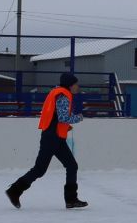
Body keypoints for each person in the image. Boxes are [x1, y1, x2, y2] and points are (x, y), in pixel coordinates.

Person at [6, 73, 87, 209]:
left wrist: (65, 126)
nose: (77, 87)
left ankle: (71, 199)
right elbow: (62, 117)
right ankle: (14, 191)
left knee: (71, 166)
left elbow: (57, 117)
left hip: (54, 137)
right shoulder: (63, 95)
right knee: (40, 169)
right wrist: (78, 118)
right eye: (76, 84)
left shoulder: (57, 92)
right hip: (52, 138)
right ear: (70, 84)